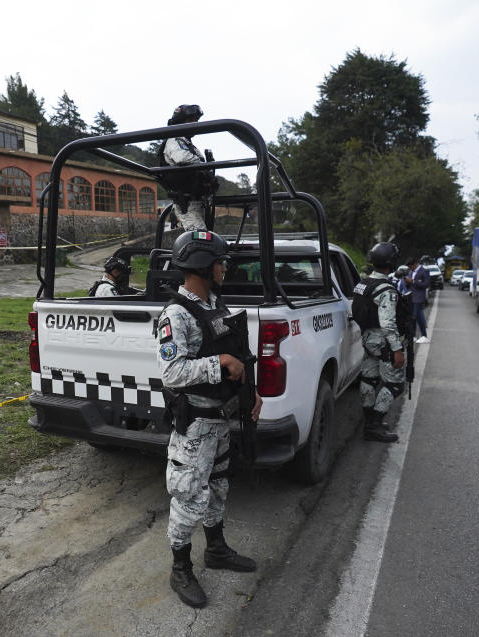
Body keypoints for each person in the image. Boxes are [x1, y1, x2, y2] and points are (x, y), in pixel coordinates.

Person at [155, 230, 262, 608]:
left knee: (217, 487)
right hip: (196, 424)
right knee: (188, 496)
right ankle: (180, 568)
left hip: (221, 421)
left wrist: (251, 393)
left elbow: (236, 354)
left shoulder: (216, 305)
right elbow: (172, 373)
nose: (224, 267)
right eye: (220, 261)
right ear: (201, 264)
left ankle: (216, 549)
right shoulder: (176, 314)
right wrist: (219, 363)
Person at [352, 242, 408, 443]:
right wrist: (397, 349)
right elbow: (388, 324)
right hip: (383, 342)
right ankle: (374, 426)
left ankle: (369, 423)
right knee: (395, 384)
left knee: (369, 379)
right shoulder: (387, 290)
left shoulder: (363, 283)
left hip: (367, 339)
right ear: (391, 263)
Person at [157, 104, 216, 232]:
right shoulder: (174, 140)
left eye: (196, 120)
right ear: (180, 121)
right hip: (186, 203)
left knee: (207, 237)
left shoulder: (189, 144)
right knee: (200, 241)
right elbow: (182, 158)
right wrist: (203, 166)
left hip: (197, 200)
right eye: (191, 120)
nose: (195, 123)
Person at [404, 257, 431, 343]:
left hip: (419, 298)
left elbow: (426, 284)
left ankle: (414, 336)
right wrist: (407, 282)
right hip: (411, 297)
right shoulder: (411, 272)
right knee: (419, 318)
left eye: (410, 266)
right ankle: (423, 336)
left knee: (414, 317)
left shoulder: (424, 271)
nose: (409, 269)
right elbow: (410, 285)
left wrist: (413, 281)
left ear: (415, 264)